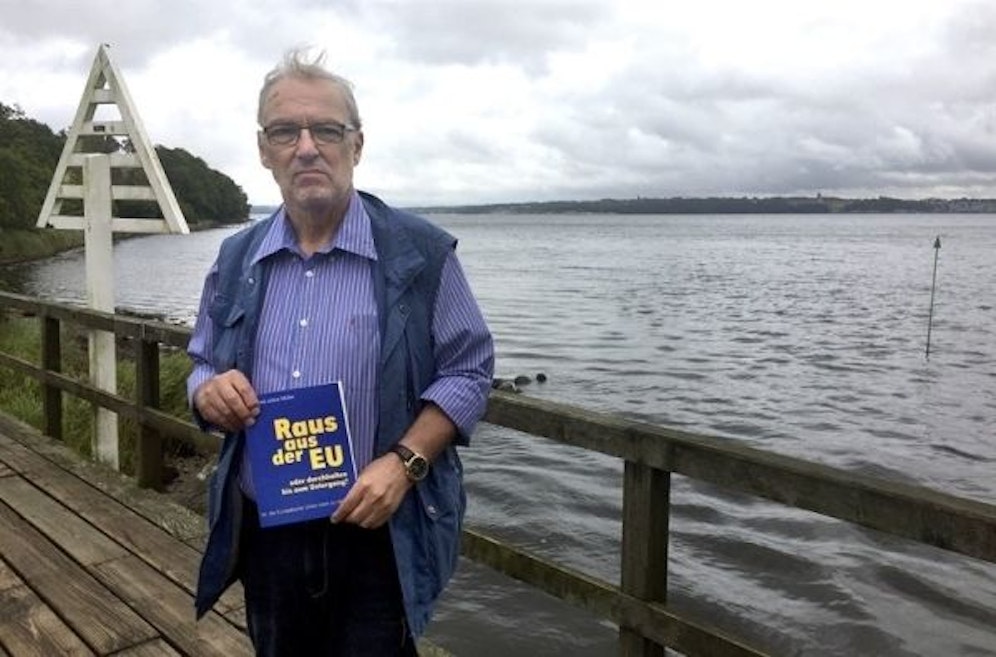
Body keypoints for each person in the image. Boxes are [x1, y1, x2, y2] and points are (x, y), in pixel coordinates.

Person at [186, 47, 494, 656]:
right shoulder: (235, 257)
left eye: (326, 130)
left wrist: (404, 463)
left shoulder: (421, 253)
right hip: (267, 532)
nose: (306, 148)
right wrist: (207, 391)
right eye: (285, 131)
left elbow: (469, 370)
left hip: (378, 533)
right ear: (264, 149)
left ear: (357, 144)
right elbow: (201, 360)